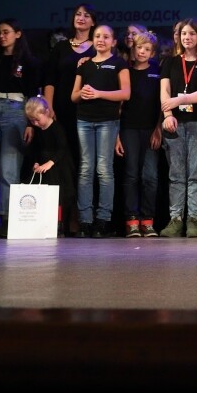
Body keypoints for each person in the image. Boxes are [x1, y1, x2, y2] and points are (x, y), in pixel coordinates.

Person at [0, 18, 41, 237]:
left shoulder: (29, 61)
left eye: (6, 32)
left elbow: (33, 93)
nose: (2, 36)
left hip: (16, 110)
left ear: (18, 34)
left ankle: (5, 217)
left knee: (9, 168)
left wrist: (31, 123)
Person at [42, 3, 97, 234]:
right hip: (61, 113)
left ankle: (80, 216)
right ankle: (59, 217)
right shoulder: (61, 47)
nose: (81, 18)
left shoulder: (98, 48)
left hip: (88, 114)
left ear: (93, 22)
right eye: (77, 14)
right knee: (63, 162)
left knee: (84, 164)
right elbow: (50, 80)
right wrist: (48, 108)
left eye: (86, 15)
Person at [71, 24, 129, 237]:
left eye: (106, 37)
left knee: (104, 169)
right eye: (97, 36)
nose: (101, 40)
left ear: (113, 41)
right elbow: (73, 96)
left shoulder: (119, 63)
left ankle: (103, 219)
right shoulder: (84, 65)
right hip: (84, 120)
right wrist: (83, 93)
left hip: (107, 121)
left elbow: (126, 93)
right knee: (86, 169)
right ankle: (85, 220)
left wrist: (98, 93)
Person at [159, 18, 197, 238]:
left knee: (196, 173)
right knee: (176, 174)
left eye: (192, 33)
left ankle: (194, 220)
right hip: (174, 122)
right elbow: (165, 91)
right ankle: (175, 219)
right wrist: (167, 114)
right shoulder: (170, 62)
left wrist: (180, 99)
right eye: (184, 33)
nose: (187, 37)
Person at [116, 30, 162, 238]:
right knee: (131, 174)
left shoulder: (157, 71)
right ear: (133, 49)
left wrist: (158, 129)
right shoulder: (125, 71)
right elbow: (119, 106)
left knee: (150, 176)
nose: (142, 51)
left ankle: (148, 220)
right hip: (129, 129)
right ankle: (132, 220)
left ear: (153, 53)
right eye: (139, 47)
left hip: (151, 129)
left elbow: (162, 103)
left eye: (147, 49)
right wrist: (117, 135)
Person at [23, 96, 74, 236]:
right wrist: (36, 162)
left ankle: (59, 224)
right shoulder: (38, 130)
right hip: (44, 165)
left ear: (46, 112)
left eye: (37, 119)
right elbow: (37, 149)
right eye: (32, 121)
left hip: (58, 166)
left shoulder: (57, 128)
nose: (35, 123)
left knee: (59, 196)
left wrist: (49, 163)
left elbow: (62, 149)